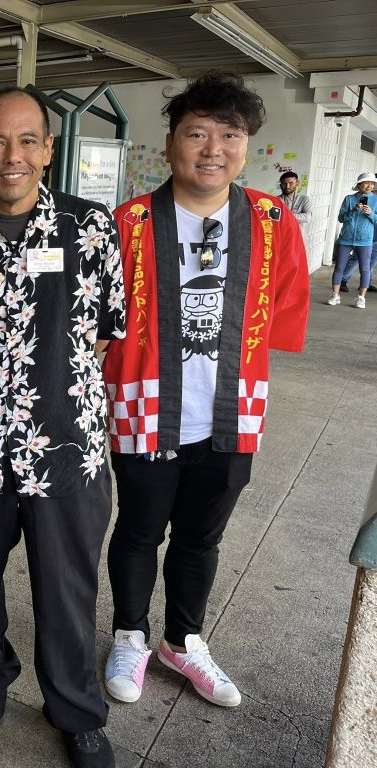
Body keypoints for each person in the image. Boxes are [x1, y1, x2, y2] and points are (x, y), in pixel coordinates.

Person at [0, 86, 125, 768]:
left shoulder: (91, 228)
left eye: (26, 140)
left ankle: (75, 708)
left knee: (68, 586)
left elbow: (103, 334)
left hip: (66, 446)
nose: (12, 156)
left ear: (49, 147)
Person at [102, 72, 309, 714]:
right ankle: (130, 635)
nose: (212, 148)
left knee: (201, 537)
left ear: (246, 147)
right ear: (170, 144)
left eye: (230, 135)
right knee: (139, 531)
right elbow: (103, 316)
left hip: (233, 409)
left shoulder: (273, 220)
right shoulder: (128, 222)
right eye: (197, 133)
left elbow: (283, 303)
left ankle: (183, 639)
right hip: (144, 407)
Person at [328, 172, 377, 308]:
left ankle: (361, 298)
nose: (369, 186)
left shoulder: (376, 200)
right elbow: (341, 218)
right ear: (359, 185)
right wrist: (354, 210)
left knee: (365, 269)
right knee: (339, 268)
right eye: (366, 183)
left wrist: (371, 214)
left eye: (372, 183)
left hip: (365, 240)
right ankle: (335, 295)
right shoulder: (349, 199)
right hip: (346, 239)